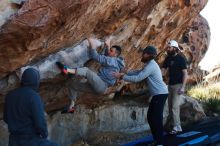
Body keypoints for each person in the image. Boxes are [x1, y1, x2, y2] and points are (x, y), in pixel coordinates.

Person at [113, 46, 168, 146]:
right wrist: (125, 72)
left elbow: (138, 78)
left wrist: (121, 76)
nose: (142, 55)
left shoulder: (151, 65)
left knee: (155, 118)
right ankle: (157, 141)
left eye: (144, 53)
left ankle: (160, 143)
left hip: (160, 94)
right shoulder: (149, 64)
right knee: (151, 117)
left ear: (149, 55)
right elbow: (138, 72)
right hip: (158, 94)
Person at [56, 37, 125, 113]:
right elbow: (107, 57)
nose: (109, 52)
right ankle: (71, 107)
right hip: (99, 88)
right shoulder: (116, 63)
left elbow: (95, 56)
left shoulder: (112, 60)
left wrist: (91, 43)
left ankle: (66, 70)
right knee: (73, 85)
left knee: (86, 71)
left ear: (115, 54)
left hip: (101, 84)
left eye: (111, 51)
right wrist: (108, 45)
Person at [3, 68, 59, 146]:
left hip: (13, 141)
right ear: (36, 81)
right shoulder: (34, 97)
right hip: (31, 140)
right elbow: (40, 124)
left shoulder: (9, 96)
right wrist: (44, 135)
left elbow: (6, 118)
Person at [162, 40, 188, 134]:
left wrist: (183, 87)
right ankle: (173, 126)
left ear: (175, 48)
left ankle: (177, 127)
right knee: (170, 107)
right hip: (170, 85)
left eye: (169, 47)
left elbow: (185, 73)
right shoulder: (168, 58)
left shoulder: (181, 59)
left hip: (178, 85)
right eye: (168, 47)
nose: (168, 49)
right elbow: (163, 70)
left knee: (175, 106)